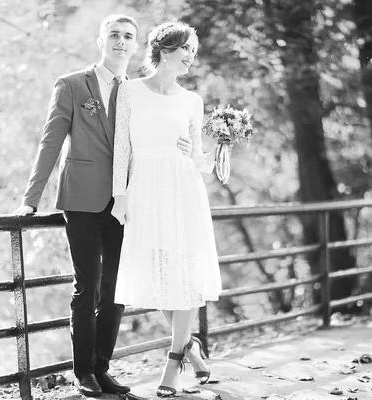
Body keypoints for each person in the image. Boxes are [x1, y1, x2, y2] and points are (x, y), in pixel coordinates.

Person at [13, 15, 193, 398]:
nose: (122, 42)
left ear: (136, 45)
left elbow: (157, 133)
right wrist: (30, 200)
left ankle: (102, 368)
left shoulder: (139, 90)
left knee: (117, 289)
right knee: (88, 287)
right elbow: (50, 142)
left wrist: (185, 147)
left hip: (126, 201)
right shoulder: (73, 84)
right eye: (115, 35)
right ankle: (83, 374)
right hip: (80, 199)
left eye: (129, 37)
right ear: (101, 41)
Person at [110, 21, 223, 397]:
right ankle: (191, 345)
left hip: (183, 189)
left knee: (185, 275)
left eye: (194, 49)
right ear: (165, 49)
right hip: (144, 188)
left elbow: (200, 161)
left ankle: (174, 361)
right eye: (186, 48)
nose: (191, 56)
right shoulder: (129, 91)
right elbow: (121, 149)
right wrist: (120, 196)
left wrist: (216, 150)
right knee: (156, 274)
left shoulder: (192, 100)